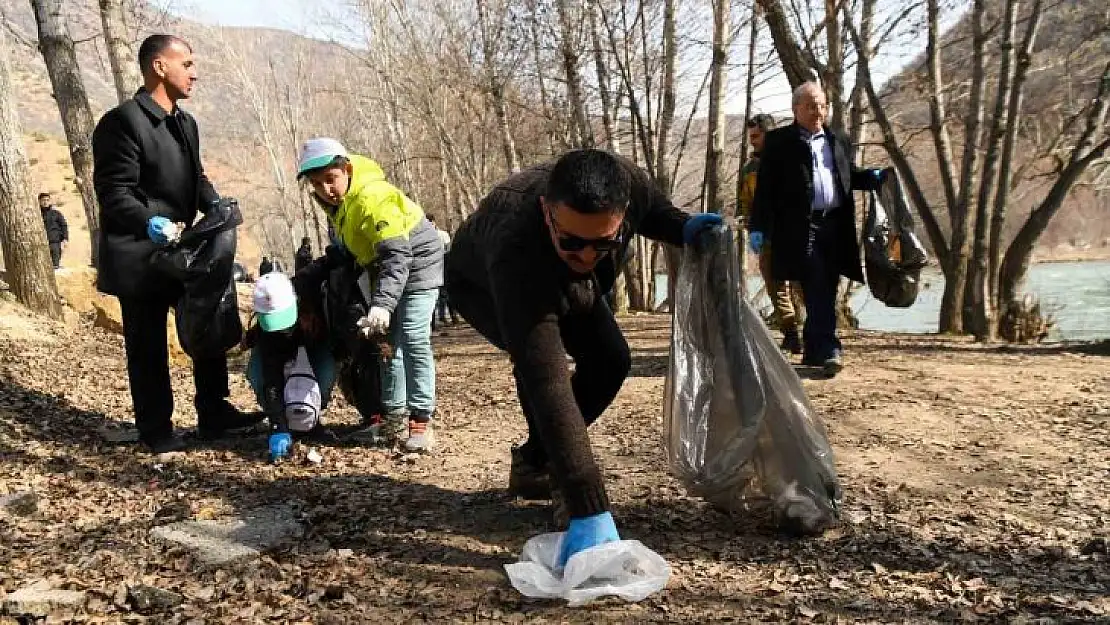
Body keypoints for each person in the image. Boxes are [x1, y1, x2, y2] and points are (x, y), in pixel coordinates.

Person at [444, 149, 723, 567]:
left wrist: (683, 227)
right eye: (573, 241)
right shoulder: (515, 242)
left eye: (604, 243)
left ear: (622, 213)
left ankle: (534, 460)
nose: (589, 255)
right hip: (479, 284)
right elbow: (548, 378)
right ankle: (558, 475)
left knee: (611, 359)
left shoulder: (627, 182)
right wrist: (587, 501)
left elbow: (655, 214)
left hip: (563, 278)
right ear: (546, 211)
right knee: (538, 365)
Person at [91, 34, 262, 454]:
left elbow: (196, 178)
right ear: (158, 66)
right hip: (139, 254)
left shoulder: (185, 123)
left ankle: (214, 412)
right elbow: (114, 192)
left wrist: (215, 204)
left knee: (208, 323)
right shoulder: (123, 121)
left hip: (184, 248)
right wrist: (151, 222)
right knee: (147, 344)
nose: (194, 71)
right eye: (186, 63)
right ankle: (156, 429)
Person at [297, 137, 444, 453]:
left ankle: (421, 421)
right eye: (317, 184)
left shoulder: (371, 198)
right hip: (384, 269)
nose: (326, 189)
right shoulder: (339, 206)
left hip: (417, 264)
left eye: (331, 179)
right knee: (387, 344)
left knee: (414, 338)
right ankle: (392, 417)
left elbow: (397, 255)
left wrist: (382, 304)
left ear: (346, 169)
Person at [748, 82, 884, 377]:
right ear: (796, 108)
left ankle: (813, 347)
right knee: (816, 281)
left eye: (822, 105)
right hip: (799, 228)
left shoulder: (838, 140)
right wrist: (758, 227)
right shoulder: (780, 142)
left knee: (826, 284)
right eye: (811, 106)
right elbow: (766, 190)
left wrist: (871, 178)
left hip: (835, 224)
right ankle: (830, 348)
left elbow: (846, 178)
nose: (818, 111)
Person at [244, 272, 337, 461]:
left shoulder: (314, 295)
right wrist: (279, 425)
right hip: (277, 352)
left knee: (325, 373)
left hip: (316, 346)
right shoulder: (267, 334)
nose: (282, 329)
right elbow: (272, 378)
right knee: (257, 375)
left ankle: (310, 419)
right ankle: (283, 420)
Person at [737, 114, 803, 355]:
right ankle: (791, 334)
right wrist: (749, 225)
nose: (752, 141)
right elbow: (744, 201)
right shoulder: (750, 168)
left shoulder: (791, 159)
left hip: (793, 234)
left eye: (756, 136)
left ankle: (816, 334)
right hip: (765, 236)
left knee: (802, 285)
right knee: (776, 288)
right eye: (750, 137)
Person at [427, 215, 459, 328]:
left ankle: (452, 316)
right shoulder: (424, 236)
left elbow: (448, 249)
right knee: (434, 293)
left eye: (431, 222)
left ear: (434, 222)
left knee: (446, 292)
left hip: (444, 264)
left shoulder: (443, 235)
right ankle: (434, 322)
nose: (429, 225)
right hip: (430, 266)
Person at [38, 192, 68, 269]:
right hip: (40, 244)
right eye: (43, 200)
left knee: (55, 266)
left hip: (55, 243)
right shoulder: (36, 214)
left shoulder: (56, 213)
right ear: (39, 201)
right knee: (42, 267)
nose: (45, 202)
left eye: (47, 200)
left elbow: (64, 225)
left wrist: (65, 238)